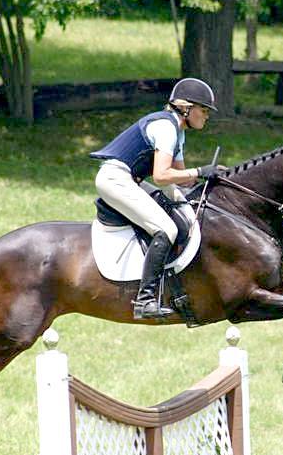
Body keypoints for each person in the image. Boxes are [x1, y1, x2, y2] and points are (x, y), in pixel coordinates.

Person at [90, 78, 222, 320]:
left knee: (182, 209)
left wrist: (212, 178)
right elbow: (162, 176)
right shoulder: (165, 128)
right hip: (115, 179)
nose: (206, 116)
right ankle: (145, 300)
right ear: (186, 108)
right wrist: (199, 171)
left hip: (130, 179)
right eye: (203, 110)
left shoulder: (178, 132)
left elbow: (181, 179)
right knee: (167, 229)